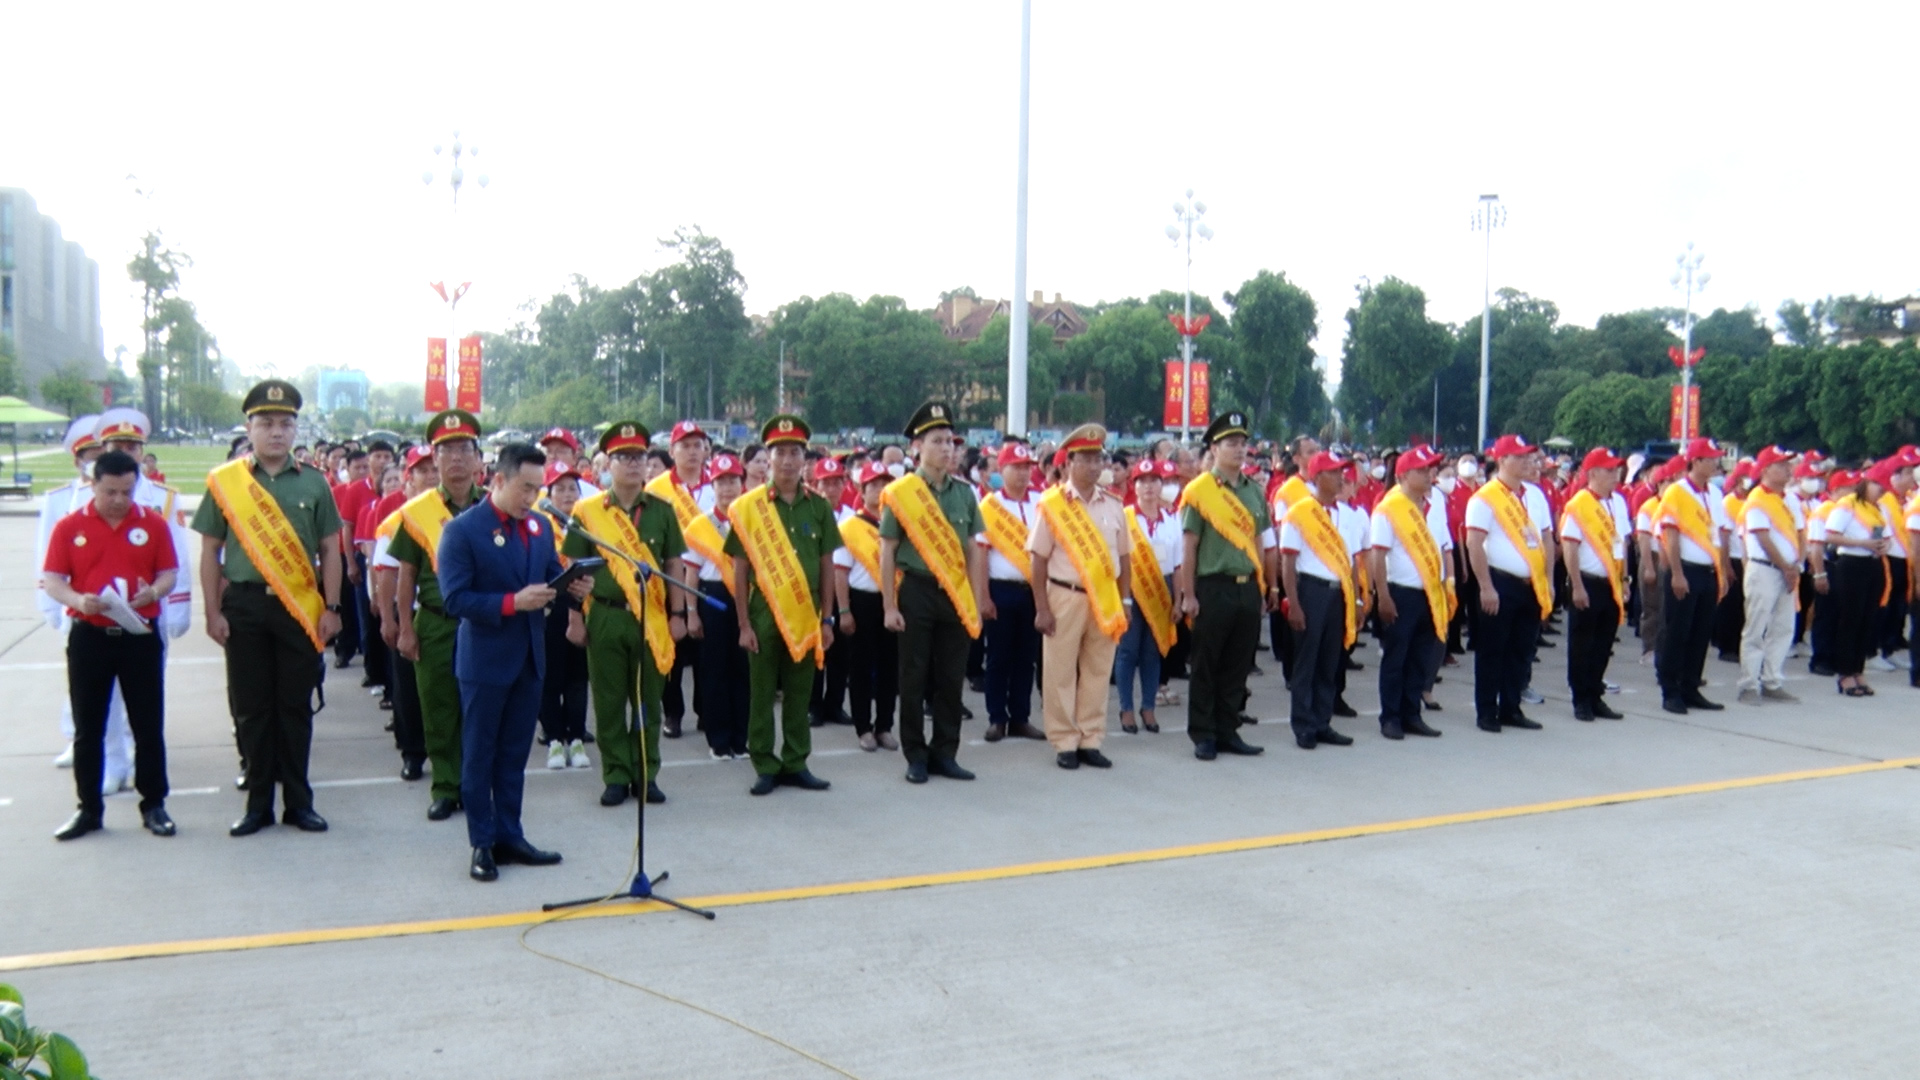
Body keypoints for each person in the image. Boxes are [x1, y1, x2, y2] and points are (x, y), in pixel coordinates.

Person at [192, 380, 343, 836]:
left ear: (296, 430)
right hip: (244, 606)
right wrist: (212, 611)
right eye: (266, 423)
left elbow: (331, 550)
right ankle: (258, 804)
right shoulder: (227, 483)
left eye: (285, 424)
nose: (276, 432)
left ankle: (299, 803)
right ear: (249, 428)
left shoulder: (315, 482)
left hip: (299, 607)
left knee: (295, 707)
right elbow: (210, 551)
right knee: (252, 709)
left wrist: (332, 607)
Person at [438, 442, 589, 882]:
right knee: (479, 754)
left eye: (538, 489)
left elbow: (549, 574)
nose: (532, 498)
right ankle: (482, 842)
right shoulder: (463, 530)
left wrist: (574, 588)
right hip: (485, 660)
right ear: (499, 480)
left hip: (529, 657)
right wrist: (512, 602)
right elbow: (454, 599)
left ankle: (510, 834)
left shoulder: (539, 526)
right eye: (525, 488)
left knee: (513, 754)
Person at [42, 450, 179, 840]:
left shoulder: (152, 523)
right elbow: (53, 579)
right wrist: (77, 599)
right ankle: (88, 809)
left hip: (138, 635)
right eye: (110, 492)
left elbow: (169, 572)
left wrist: (154, 591)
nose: (119, 500)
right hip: (90, 635)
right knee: (89, 728)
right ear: (93, 485)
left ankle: (154, 805)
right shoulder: (70, 526)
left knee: (147, 725)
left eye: (127, 492)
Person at [567, 421, 687, 807]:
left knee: (648, 701)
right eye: (623, 457)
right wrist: (574, 618)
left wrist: (679, 613)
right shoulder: (587, 512)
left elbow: (674, 564)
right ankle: (616, 774)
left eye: (639, 456)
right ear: (608, 464)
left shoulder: (662, 510)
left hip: (651, 616)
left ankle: (646, 774)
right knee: (608, 702)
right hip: (605, 615)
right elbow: (574, 568)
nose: (633, 464)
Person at [726, 415, 841, 795]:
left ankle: (796, 761)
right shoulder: (749, 507)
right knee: (761, 692)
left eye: (795, 453)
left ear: (805, 459)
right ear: (768, 458)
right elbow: (740, 570)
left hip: (807, 611)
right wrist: (744, 624)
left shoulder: (819, 506)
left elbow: (827, 565)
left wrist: (827, 618)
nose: (788, 461)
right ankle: (764, 762)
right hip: (763, 611)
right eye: (780, 453)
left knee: (799, 691)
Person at [879, 401, 987, 784]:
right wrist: (889, 605)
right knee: (913, 676)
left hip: (954, 594)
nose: (946, 448)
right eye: (937, 441)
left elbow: (973, 549)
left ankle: (946, 752)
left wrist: (975, 601)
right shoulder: (902, 493)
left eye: (950, 441)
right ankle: (916, 755)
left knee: (950, 678)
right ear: (917, 447)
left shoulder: (965, 494)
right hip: (916, 591)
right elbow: (887, 550)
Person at [390, 410, 488, 821]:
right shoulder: (419, 512)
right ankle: (446, 786)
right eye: (447, 451)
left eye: (464, 449)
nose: (456, 458)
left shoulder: (494, 506)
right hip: (435, 622)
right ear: (434, 459)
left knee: (481, 711)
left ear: (478, 458)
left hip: (485, 624)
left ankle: (477, 786)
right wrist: (405, 628)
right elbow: (406, 575)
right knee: (439, 709)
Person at [37, 416, 135, 780]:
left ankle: (129, 752)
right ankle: (91, 749)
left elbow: (171, 562)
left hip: (135, 614)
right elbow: (48, 560)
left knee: (135, 696)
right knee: (88, 693)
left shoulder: (148, 499)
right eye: (89, 456)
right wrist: (55, 604)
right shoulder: (66, 502)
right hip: (82, 611)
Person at [1176, 412, 1277, 761]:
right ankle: (1203, 733)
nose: (1239, 449)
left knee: (1237, 664)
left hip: (1247, 586)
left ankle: (1227, 729)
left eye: (1243, 443)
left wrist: (1264, 586)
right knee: (1206, 663)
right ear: (1214, 449)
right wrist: (1188, 594)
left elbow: (1259, 542)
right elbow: (1189, 546)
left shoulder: (1254, 492)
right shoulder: (1200, 491)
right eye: (1231, 443)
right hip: (1213, 586)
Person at [1029, 424, 1130, 770]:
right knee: (1059, 672)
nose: (1093, 465)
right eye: (1085, 459)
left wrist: (1125, 601)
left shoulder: (1114, 504)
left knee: (1097, 671)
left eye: (1098, 458)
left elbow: (1125, 557)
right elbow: (1037, 559)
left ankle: (1091, 738)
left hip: (1104, 597)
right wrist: (1041, 607)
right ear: (1068, 462)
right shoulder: (1053, 504)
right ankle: (1064, 741)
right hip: (1064, 595)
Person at [1464, 435, 1553, 733]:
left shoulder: (1535, 495)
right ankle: (1487, 710)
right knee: (1493, 649)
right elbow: (1474, 543)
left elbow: (1547, 538)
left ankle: (1511, 707)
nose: (1528, 462)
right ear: (1502, 460)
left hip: (1531, 583)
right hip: (1500, 581)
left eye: (1529, 456)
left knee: (1521, 650)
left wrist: (1548, 579)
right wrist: (1486, 587)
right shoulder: (1485, 498)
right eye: (1520, 456)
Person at [1368, 445, 1450, 740]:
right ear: (1403, 475)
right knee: (1396, 658)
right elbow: (1378, 556)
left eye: (1431, 469)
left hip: (1428, 592)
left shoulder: (1431, 505)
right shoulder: (1389, 508)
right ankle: (1390, 717)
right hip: (1400, 593)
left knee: (1419, 657)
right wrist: (1383, 595)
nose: (1430, 475)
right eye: (1422, 470)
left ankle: (1411, 713)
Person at [1281, 451, 1361, 749]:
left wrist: (1357, 601)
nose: (1341, 478)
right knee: (1307, 661)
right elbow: (1288, 562)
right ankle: (1304, 725)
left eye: (1342, 472)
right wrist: (1293, 603)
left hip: (1338, 592)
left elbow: (1351, 561)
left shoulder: (1347, 514)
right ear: (1317, 477)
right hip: (1310, 590)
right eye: (1334, 472)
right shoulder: (1299, 513)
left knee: (1330, 660)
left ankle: (1322, 721)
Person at [373, 447, 438, 780]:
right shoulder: (397, 521)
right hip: (410, 614)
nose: (430, 477)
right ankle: (413, 752)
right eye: (422, 471)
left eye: (434, 469)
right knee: (408, 690)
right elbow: (387, 574)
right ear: (408, 479)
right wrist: (389, 619)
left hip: (447, 615)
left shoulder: (457, 515)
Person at [1656, 438, 1733, 714]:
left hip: (1708, 571)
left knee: (1701, 633)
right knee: (1677, 632)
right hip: (1685, 570)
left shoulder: (1714, 493)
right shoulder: (1677, 492)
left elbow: (1719, 535)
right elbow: (1671, 535)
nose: (1716, 463)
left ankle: (1691, 686)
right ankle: (1670, 690)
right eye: (1710, 459)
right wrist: (1677, 573)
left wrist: (1722, 571)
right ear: (1696, 461)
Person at [977, 441, 1046, 742]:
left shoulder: (1042, 502)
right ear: (1001, 470)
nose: (1023, 473)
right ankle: (997, 718)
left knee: (1026, 657)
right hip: (1001, 589)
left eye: (1027, 467)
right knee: (998, 657)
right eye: (1016, 467)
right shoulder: (990, 506)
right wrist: (983, 596)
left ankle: (1020, 717)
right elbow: (981, 554)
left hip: (1033, 590)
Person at [649, 421, 714, 739]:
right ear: (671, 451)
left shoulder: (718, 486)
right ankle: (672, 714)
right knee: (672, 651)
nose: (692, 452)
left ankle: (706, 711)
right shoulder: (656, 490)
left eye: (697, 445)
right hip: (670, 579)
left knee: (707, 653)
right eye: (684, 445)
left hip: (709, 579)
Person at [1558, 447, 1632, 721]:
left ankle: (1595, 694)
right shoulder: (1579, 504)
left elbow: (1622, 544)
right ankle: (1580, 699)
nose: (1616, 474)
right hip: (1587, 581)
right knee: (1582, 643)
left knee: (1604, 643)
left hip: (1611, 582)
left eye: (1617, 469)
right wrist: (1576, 586)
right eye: (1609, 470)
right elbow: (1570, 547)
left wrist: (1625, 579)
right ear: (1592, 473)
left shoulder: (1619, 502)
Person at [685, 452, 750, 761]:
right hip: (712, 598)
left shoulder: (751, 520)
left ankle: (741, 738)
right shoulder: (701, 525)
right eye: (721, 482)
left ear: (742, 484)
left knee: (743, 670)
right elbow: (691, 572)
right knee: (714, 671)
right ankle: (718, 739)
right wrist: (691, 612)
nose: (727, 488)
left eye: (733, 481)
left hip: (745, 598)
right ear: (712, 487)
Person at [836, 462, 900, 752]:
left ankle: (884, 726)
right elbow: (840, 572)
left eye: (885, 484)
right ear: (861, 491)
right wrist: (844, 610)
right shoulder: (850, 527)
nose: (879, 489)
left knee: (890, 667)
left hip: (893, 601)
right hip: (862, 601)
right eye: (873, 485)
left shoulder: (898, 523)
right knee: (861, 668)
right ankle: (863, 727)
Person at [1116, 459, 1181, 735]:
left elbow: (1178, 564)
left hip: (1162, 589)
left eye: (1154, 480)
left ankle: (1148, 707)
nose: (1149, 487)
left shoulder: (1172, 520)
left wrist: (1178, 599)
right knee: (1128, 650)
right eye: (1142, 481)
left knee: (1153, 651)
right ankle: (1126, 708)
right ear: (1135, 486)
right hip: (1132, 588)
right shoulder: (1125, 518)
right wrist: (1123, 598)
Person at [1737, 446, 1806, 705]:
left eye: (1789, 464)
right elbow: (1763, 538)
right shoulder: (1757, 499)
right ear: (1765, 470)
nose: (1788, 469)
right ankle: (1748, 684)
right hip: (1764, 569)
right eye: (1781, 465)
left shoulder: (1791, 499)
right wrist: (1786, 567)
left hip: (1788, 571)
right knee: (1756, 628)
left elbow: (1801, 533)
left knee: (1783, 627)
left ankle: (1772, 680)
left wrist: (1796, 565)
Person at [537, 459, 594, 769]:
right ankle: (554, 737)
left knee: (577, 675)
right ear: (549, 495)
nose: (568, 494)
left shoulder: (586, 525)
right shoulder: (539, 526)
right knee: (550, 675)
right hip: (549, 607)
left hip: (582, 603)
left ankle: (576, 736)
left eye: (573, 488)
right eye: (560, 489)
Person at [1824, 464, 1893, 697]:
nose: (1881, 492)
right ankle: (1845, 673)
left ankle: (1858, 669)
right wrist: (1862, 543)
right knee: (1850, 619)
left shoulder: (1879, 509)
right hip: (1851, 564)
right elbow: (1831, 535)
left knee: (1867, 620)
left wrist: (1884, 546)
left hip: (1873, 563)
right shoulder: (1848, 504)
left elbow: (1888, 536)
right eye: (1878, 486)